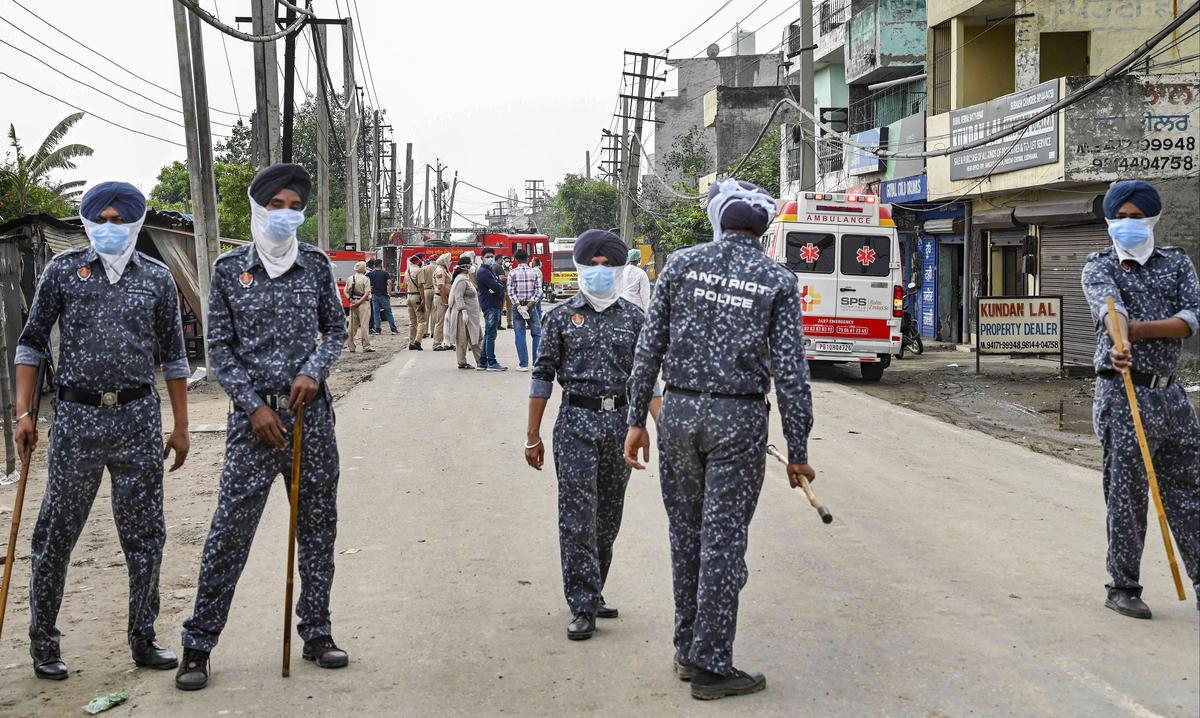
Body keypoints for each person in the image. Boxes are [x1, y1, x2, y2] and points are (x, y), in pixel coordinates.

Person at [624, 179, 815, 700]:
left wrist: (636, 420)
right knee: (724, 540)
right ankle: (710, 663)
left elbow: (648, 349)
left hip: (680, 414)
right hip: (738, 419)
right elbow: (793, 375)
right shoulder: (776, 279)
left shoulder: (681, 265)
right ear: (764, 229)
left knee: (686, 534)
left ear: (719, 220)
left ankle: (688, 649)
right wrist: (798, 452)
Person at [176, 163, 348, 691]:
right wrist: (253, 406)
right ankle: (198, 645)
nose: (287, 215)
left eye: (296, 207)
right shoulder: (230, 270)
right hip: (253, 426)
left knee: (317, 530)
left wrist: (313, 372)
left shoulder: (317, 266)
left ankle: (317, 632)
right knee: (230, 533)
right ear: (258, 207)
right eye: (277, 205)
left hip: (309, 421)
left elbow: (336, 331)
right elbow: (219, 348)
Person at [13, 181, 190, 680]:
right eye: (102, 219)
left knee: (145, 535)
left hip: (137, 419)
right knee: (55, 534)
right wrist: (23, 414)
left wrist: (180, 426)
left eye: (120, 219)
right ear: (89, 222)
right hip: (76, 421)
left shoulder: (156, 278)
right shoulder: (64, 270)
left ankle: (143, 637)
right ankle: (43, 643)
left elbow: (175, 358)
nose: (110, 228)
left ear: (134, 222)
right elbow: (31, 345)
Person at [524, 230, 661, 642]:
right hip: (576, 425)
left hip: (621, 425)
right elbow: (542, 376)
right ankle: (581, 604)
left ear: (620, 271)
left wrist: (663, 427)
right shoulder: (560, 318)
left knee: (608, 516)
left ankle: (595, 586)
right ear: (582, 268)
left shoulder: (636, 320)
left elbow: (647, 380)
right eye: (593, 266)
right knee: (577, 517)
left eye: (609, 267)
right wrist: (533, 435)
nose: (601, 273)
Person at [1081, 179, 1200, 619]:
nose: (1128, 225)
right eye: (1121, 218)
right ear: (1111, 221)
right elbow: (1111, 311)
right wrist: (1120, 337)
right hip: (1122, 392)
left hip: (1171, 395)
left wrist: (1139, 331)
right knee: (1127, 494)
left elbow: (1192, 318)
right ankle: (1123, 586)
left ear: (1152, 219)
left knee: (1190, 491)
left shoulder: (1177, 264)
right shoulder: (1100, 267)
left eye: (1137, 218)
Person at [507, 248, 543, 371]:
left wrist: (518, 306)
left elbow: (510, 292)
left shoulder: (512, 273)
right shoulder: (534, 272)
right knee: (537, 334)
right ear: (527, 259)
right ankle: (536, 364)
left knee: (519, 334)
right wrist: (528, 306)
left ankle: (523, 364)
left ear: (516, 259)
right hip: (531, 306)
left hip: (518, 307)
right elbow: (539, 290)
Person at [445, 255, 483, 369]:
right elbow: (458, 297)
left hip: (471, 315)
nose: (472, 266)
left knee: (475, 337)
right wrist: (464, 311)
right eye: (470, 264)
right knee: (465, 338)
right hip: (464, 315)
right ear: (465, 267)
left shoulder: (465, 278)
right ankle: (465, 362)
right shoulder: (461, 280)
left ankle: (479, 360)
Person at [476, 247, 507, 371]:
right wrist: (500, 285)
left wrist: (498, 286)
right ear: (482, 258)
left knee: (489, 333)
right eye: (487, 257)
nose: (490, 259)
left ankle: (482, 362)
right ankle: (492, 362)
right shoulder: (484, 272)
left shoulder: (490, 270)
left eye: (491, 257)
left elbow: (496, 286)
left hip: (493, 303)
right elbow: (497, 287)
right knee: (491, 335)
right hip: (490, 305)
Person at [345, 261, 373, 353]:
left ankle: (351, 346)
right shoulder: (365, 279)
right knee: (364, 325)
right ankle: (366, 346)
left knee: (352, 326)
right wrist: (359, 302)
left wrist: (351, 300)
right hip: (363, 304)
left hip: (352, 303)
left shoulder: (350, 278)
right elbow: (367, 293)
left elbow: (345, 292)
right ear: (364, 269)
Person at [367, 259, 398, 336]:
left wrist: (370, 292)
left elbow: (368, 284)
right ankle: (393, 329)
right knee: (388, 312)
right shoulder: (385, 273)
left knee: (376, 313)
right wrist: (389, 293)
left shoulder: (370, 274)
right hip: (384, 295)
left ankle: (377, 330)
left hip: (374, 295)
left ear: (374, 265)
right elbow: (390, 282)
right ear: (380, 264)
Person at [405, 254, 427, 349]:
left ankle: (411, 342)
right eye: (422, 260)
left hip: (409, 296)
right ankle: (417, 341)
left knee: (412, 322)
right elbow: (420, 286)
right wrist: (423, 299)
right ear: (418, 261)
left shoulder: (407, 270)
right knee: (422, 321)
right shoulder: (419, 270)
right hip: (417, 297)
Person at [432, 253, 452, 351]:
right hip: (441, 298)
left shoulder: (444, 270)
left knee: (446, 321)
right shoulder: (440, 271)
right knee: (440, 321)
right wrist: (445, 301)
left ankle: (447, 342)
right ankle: (437, 344)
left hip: (444, 297)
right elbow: (441, 287)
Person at [621, 247, 652, 313]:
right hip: (636, 307)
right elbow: (645, 294)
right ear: (639, 260)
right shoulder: (641, 274)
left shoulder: (622, 271)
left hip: (622, 306)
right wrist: (647, 311)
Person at [420, 253, 437, 339]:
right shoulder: (438, 268)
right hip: (435, 290)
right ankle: (433, 332)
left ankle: (425, 331)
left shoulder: (424, 268)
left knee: (426, 311)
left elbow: (421, 281)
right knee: (434, 312)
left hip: (426, 290)